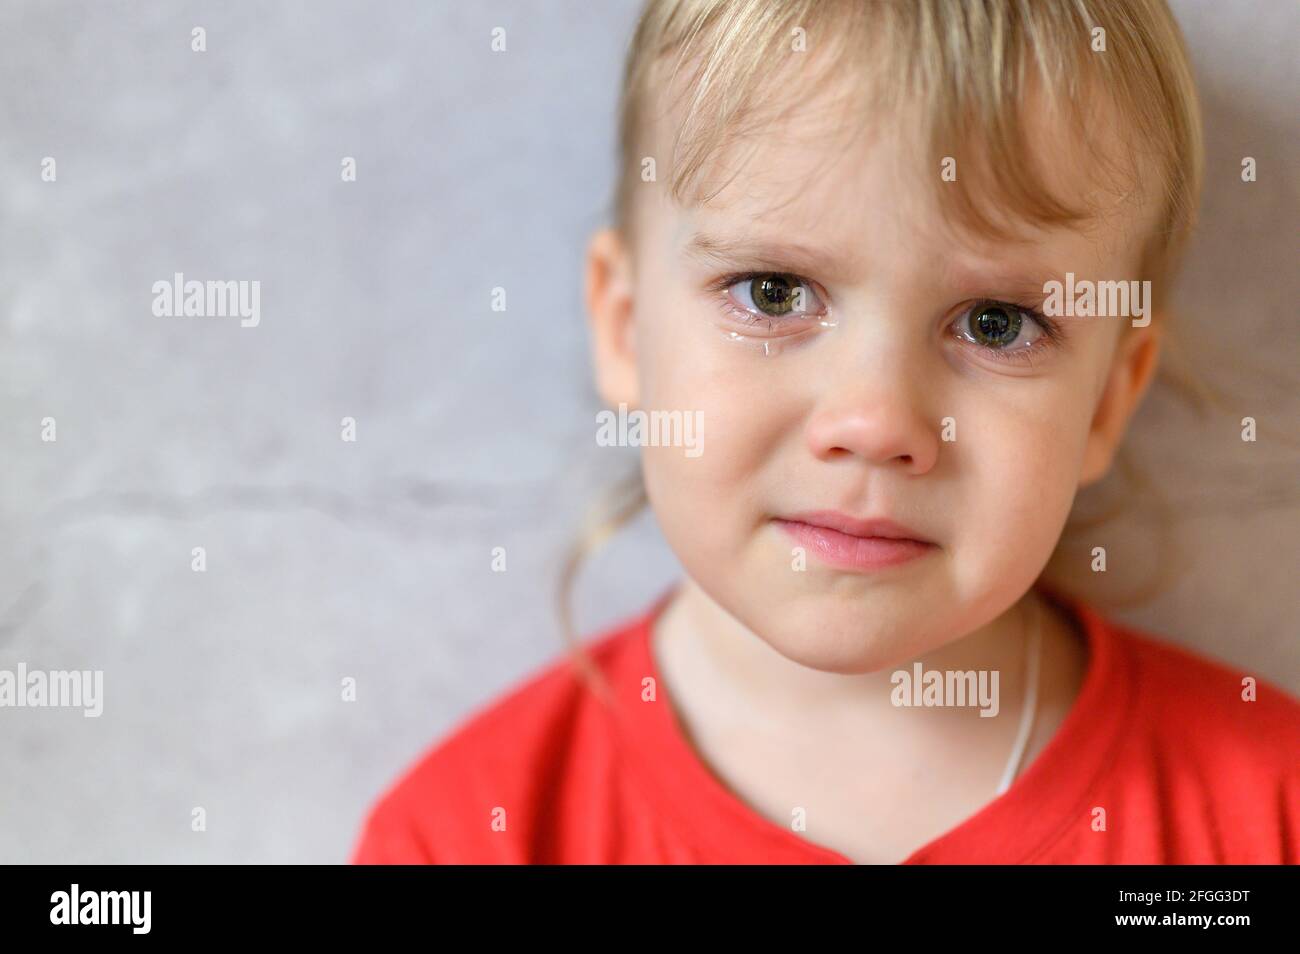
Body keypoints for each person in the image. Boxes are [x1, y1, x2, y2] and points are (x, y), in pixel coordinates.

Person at [351, 0, 1299, 864]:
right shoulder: (468, 837)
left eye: (996, 324)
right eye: (774, 294)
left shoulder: (1264, 819)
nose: (876, 423)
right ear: (623, 328)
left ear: (1105, 402)